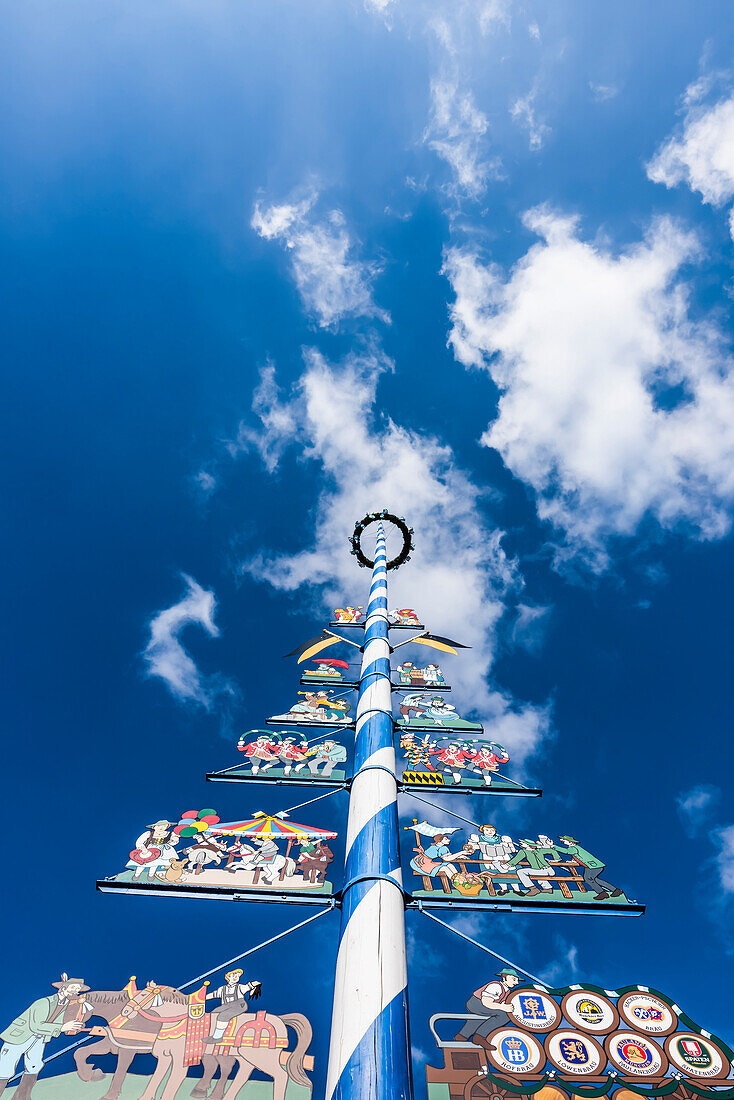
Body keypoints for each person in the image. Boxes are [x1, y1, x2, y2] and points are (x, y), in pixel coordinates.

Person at [0, 975, 92, 1097]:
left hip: (40, 1038)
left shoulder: (67, 1006)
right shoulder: (43, 1002)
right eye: (73, 987)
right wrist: (62, 1027)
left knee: (34, 1066)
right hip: (19, 1037)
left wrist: (74, 1027)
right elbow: (36, 1025)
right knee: (5, 1069)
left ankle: (22, 1097)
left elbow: (60, 1024)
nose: (76, 991)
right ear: (63, 988)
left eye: (78, 989)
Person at [456, 968, 522, 1045]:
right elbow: (486, 1002)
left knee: (478, 1019)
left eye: (517, 980)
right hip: (476, 1003)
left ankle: (462, 1036)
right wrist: (502, 1007)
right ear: (504, 978)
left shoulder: (507, 991)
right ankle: (480, 1037)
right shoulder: (496, 986)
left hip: (484, 1006)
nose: (517, 983)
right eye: (514, 979)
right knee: (504, 1015)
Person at [461, 826, 525, 896]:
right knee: (495, 873)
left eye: (492, 830)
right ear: (483, 831)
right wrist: (470, 849)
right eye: (487, 830)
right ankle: (504, 889)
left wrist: (510, 847)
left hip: (504, 856)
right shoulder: (478, 838)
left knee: (512, 872)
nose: (490, 832)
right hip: (488, 857)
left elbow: (512, 849)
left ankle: (517, 889)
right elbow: (471, 848)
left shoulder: (502, 838)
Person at [556, 836, 624, 900]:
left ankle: (602, 893)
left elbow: (567, 851)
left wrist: (554, 846)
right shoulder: (575, 848)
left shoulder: (573, 848)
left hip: (593, 867)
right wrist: (572, 861)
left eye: (564, 841)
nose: (563, 842)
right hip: (591, 866)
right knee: (595, 880)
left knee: (588, 879)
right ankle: (615, 890)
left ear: (570, 842)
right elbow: (579, 856)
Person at [205, 969, 262, 1045]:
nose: (236, 977)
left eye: (237, 976)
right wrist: (201, 998)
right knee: (213, 1013)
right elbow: (212, 995)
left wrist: (256, 987)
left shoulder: (240, 987)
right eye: (233, 975)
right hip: (226, 1006)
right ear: (228, 977)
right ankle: (211, 1034)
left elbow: (255, 983)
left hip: (239, 1005)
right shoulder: (222, 989)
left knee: (223, 1016)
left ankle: (217, 1037)